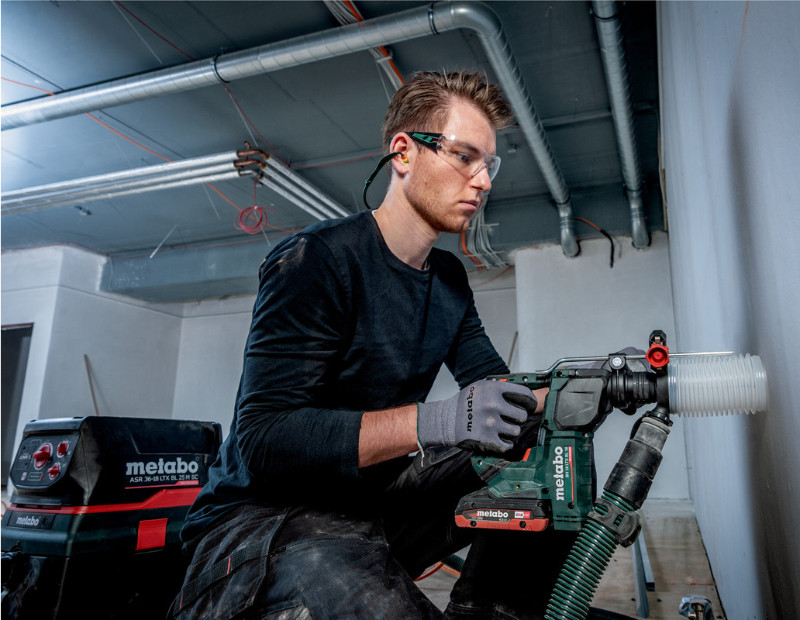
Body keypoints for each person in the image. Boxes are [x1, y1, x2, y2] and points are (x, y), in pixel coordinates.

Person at [173, 71, 572, 620]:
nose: (482, 181)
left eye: (489, 165)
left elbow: (494, 390)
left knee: (546, 451)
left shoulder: (448, 279)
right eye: (464, 157)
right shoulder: (315, 260)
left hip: (367, 503)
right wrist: (436, 421)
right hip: (258, 518)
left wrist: (577, 391)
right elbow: (265, 438)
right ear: (404, 152)